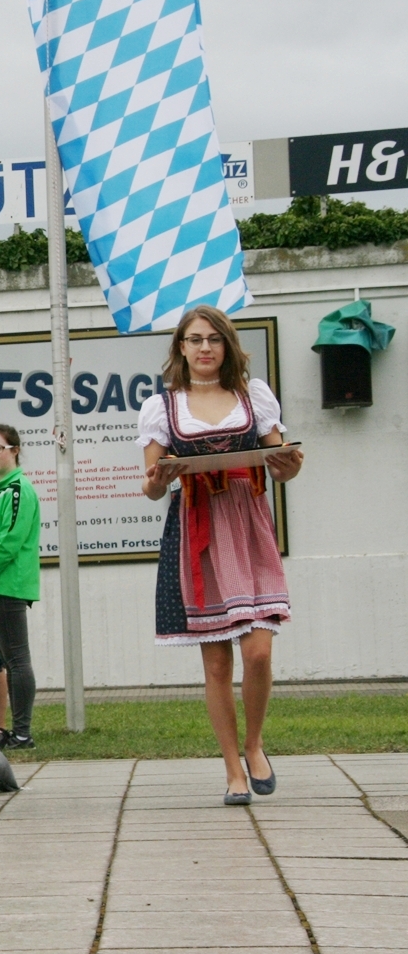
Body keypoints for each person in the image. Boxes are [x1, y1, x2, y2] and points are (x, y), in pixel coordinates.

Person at [140, 305, 302, 806]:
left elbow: (281, 466)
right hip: (197, 528)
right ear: (181, 348)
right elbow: (151, 486)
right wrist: (161, 478)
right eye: (195, 339)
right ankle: (233, 768)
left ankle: (254, 744)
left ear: (227, 345)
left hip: (248, 523)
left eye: (214, 339)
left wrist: (289, 463)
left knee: (258, 652)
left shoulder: (253, 396)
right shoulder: (162, 406)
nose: (205, 348)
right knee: (215, 664)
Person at [0, 424, 41, 749]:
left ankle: (22, 733)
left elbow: (8, 542)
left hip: (8, 585)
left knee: (17, 659)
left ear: (15, 450)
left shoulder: (19, 489)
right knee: (8, 659)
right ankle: (14, 731)